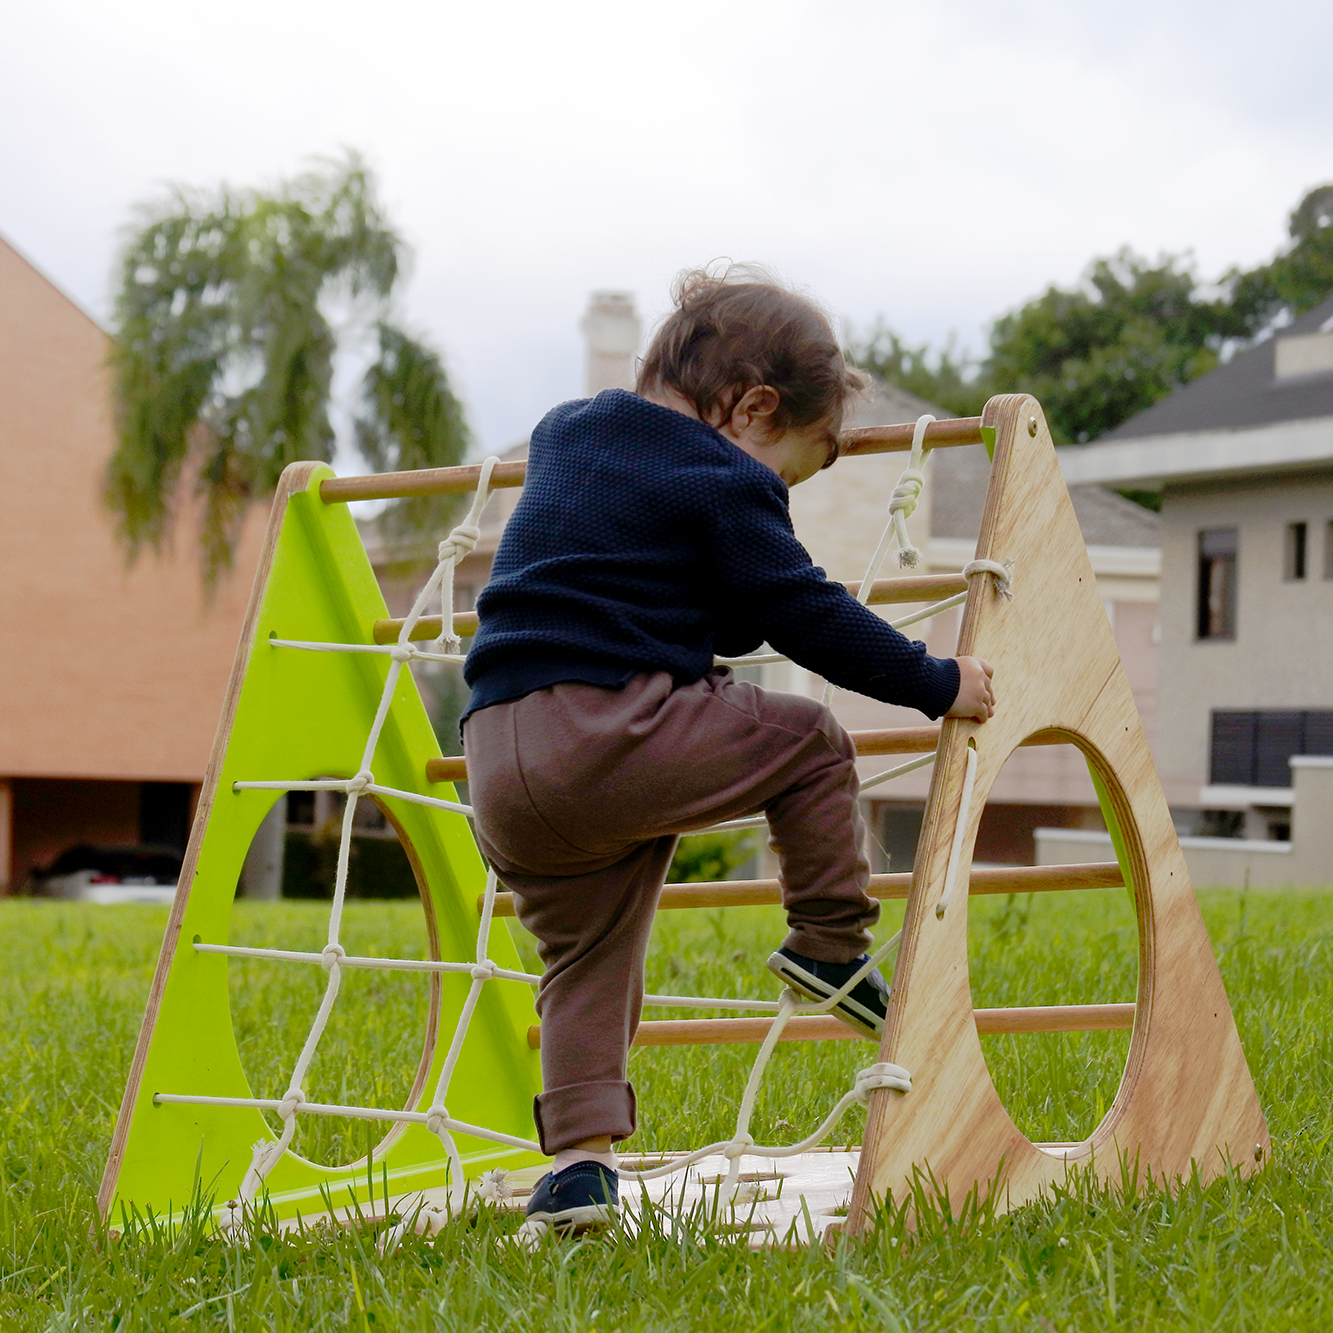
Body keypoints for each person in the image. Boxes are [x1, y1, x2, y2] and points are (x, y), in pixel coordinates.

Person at [461, 267, 995, 1232]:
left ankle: (577, 1168)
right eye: (795, 468)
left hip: (495, 756)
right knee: (809, 740)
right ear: (752, 409)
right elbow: (802, 613)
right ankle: (829, 945)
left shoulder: (562, 434)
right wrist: (935, 680)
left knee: (585, 954)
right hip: (603, 730)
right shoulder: (718, 476)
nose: (778, 489)